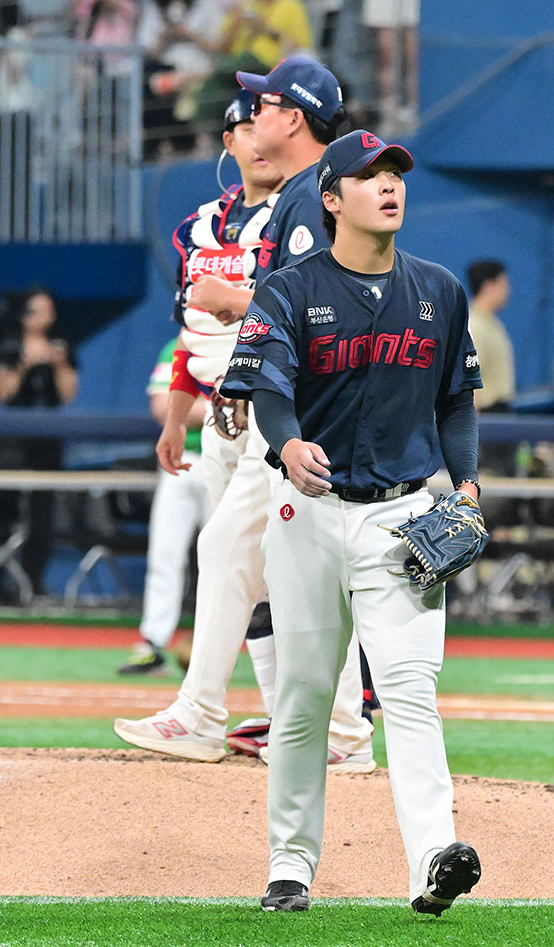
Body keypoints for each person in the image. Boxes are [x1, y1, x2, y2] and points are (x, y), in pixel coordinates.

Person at [218, 127, 483, 915]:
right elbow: (265, 385)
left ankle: (434, 858)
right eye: (369, 176)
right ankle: (290, 864)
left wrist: (466, 483)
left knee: (410, 690)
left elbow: (457, 398)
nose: (388, 184)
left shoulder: (439, 289)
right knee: (302, 697)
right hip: (307, 513)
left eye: (395, 173)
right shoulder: (290, 290)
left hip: (402, 519)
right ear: (331, 199)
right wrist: (288, 440)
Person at [113, 69, 372, 772]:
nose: (253, 113)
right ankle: (339, 732)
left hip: (311, 412)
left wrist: (236, 298)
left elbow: (323, 302)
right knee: (292, 573)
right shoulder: (304, 190)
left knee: (233, 545)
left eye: (266, 103)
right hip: (295, 407)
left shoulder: (314, 191)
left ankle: (202, 714)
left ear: (294, 118)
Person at [117, 337, 209, 676]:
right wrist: (215, 408)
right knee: (164, 555)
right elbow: (162, 408)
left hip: (228, 462)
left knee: (231, 563)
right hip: (181, 460)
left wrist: (191, 407)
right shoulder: (177, 345)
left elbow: (248, 410)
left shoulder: (238, 340)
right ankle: (152, 644)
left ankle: (222, 650)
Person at [0, 288, 79, 595]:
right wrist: (25, 364)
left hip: (48, 439)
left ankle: (35, 582)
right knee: (4, 508)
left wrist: (58, 364)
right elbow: (2, 393)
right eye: (35, 310)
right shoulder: (10, 346)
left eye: (47, 309)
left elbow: (68, 394)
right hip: (15, 440)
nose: (42, 316)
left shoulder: (61, 345)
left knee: (43, 513)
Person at [465, 259, 513, 412]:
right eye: (504, 285)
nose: (508, 291)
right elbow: (468, 379)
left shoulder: (493, 324)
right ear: (489, 286)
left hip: (500, 411)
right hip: (486, 414)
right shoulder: (474, 326)